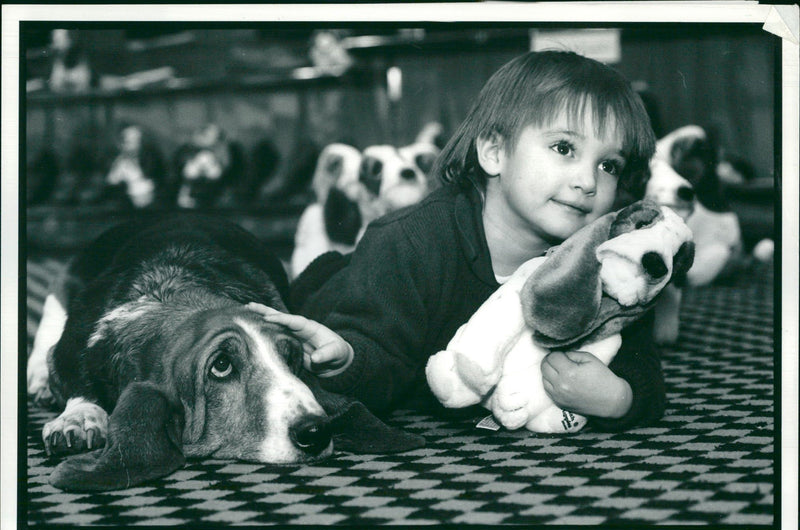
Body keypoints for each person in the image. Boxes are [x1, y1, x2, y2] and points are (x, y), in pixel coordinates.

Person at [262, 50, 662, 431]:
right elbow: (377, 359)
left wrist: (618, 399)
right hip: (337, 305)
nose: (588, 181)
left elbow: (640, 362)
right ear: (493, 152)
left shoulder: (602, 256)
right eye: (564, 148)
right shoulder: (411, 242)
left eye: (609, 165)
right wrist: (346, 360)